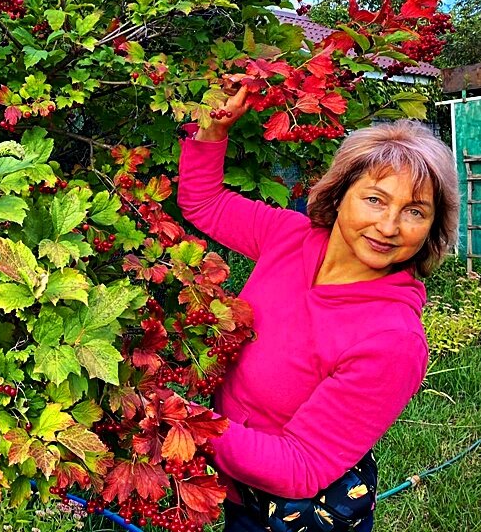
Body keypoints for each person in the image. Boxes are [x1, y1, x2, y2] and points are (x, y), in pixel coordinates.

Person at [176, 86, 460, 532]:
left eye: (415, 212)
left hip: (297, 509)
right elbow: (203, 203)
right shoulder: (290, 237)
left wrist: (184, 423)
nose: (388, 226)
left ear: (432, 227)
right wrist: (213, 129)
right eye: (375, 199)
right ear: (340, 192)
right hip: (235, 476)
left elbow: (300, 466)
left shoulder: (392, 340)